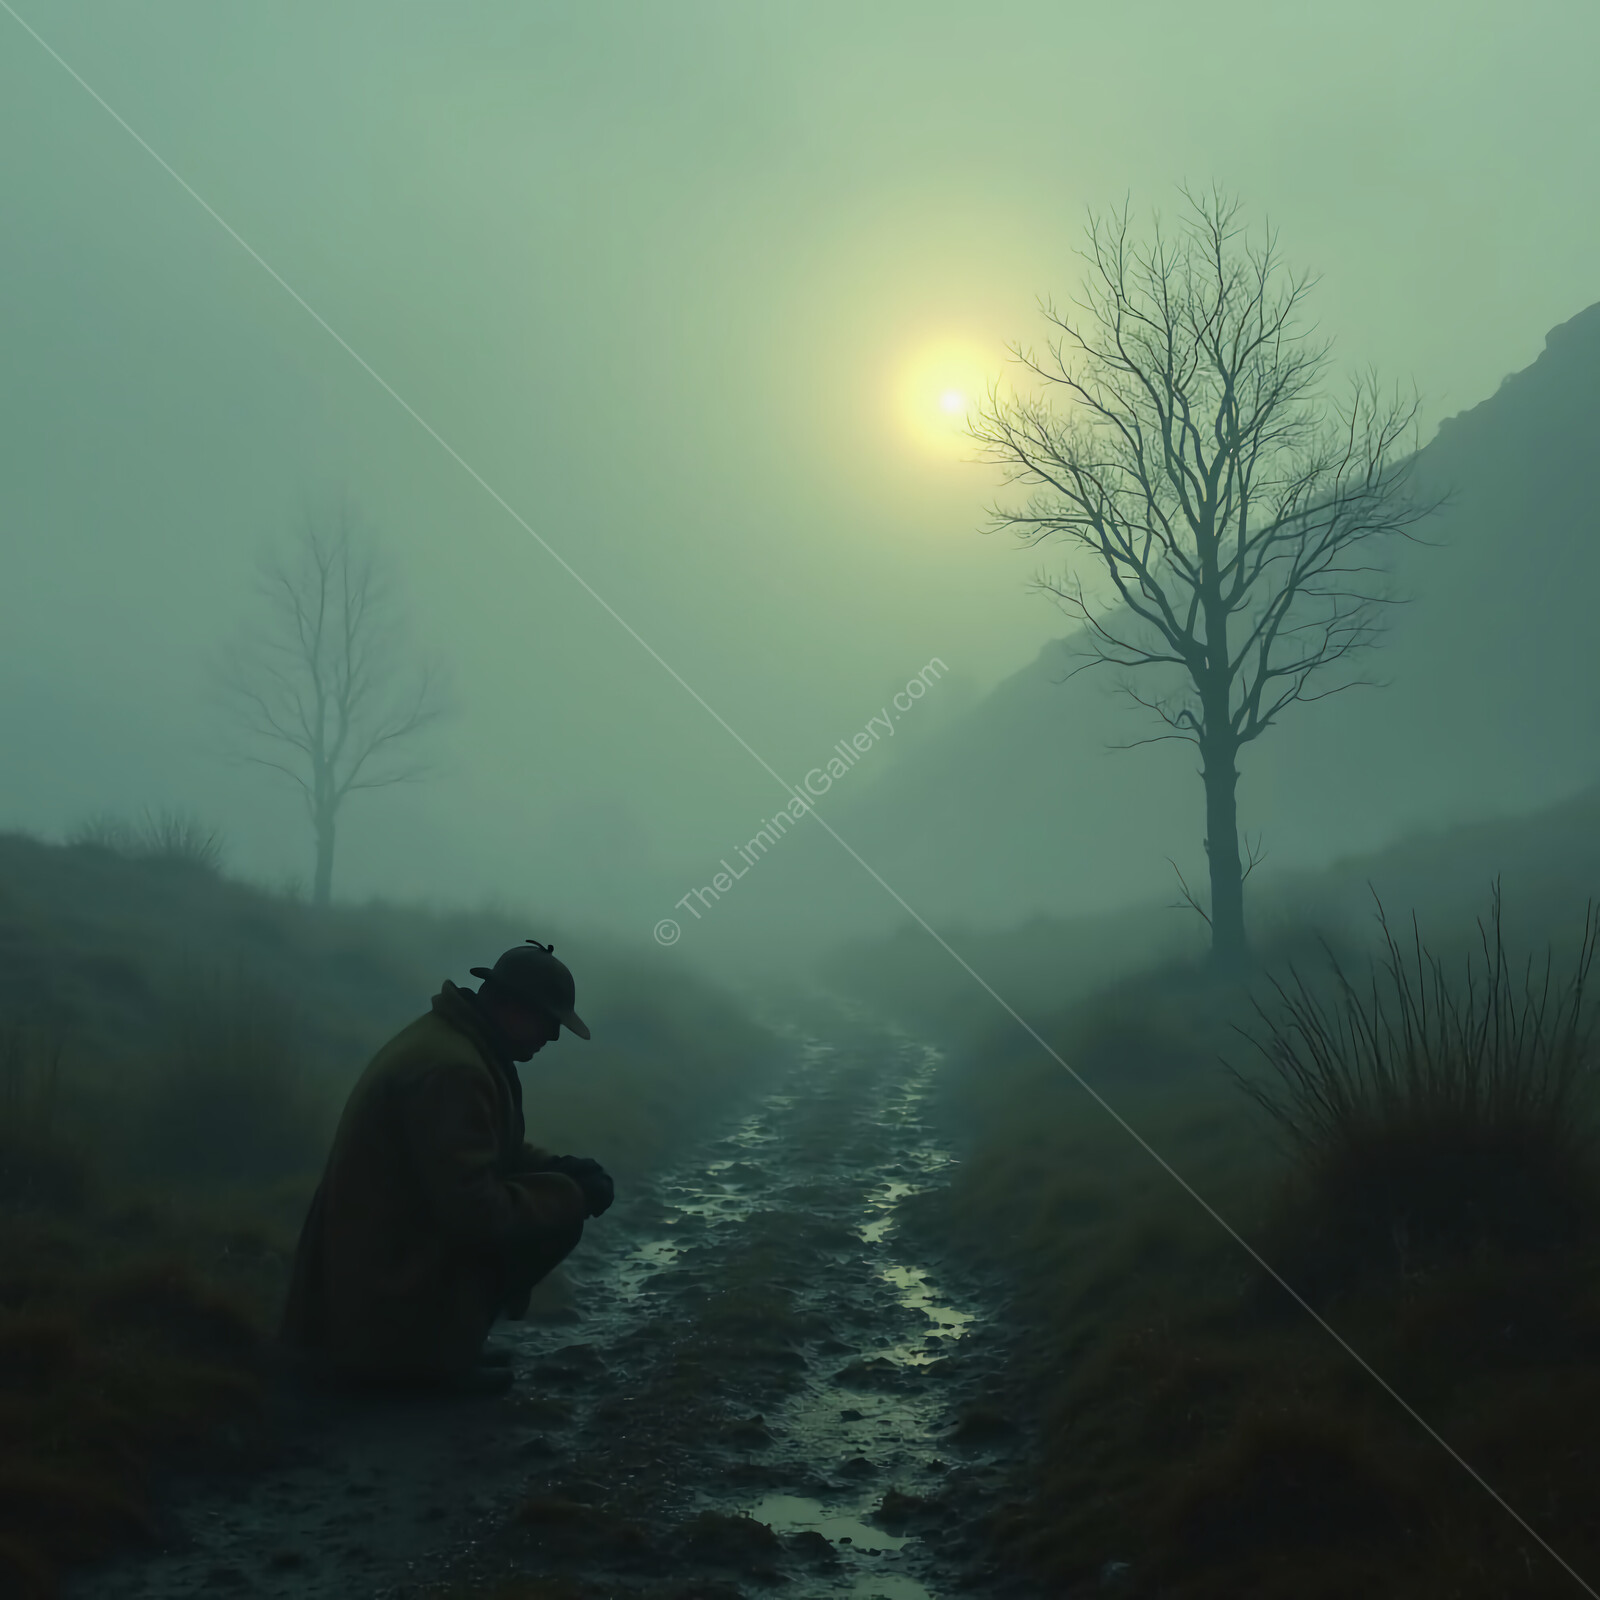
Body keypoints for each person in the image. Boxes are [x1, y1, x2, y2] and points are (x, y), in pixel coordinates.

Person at [280, 939, 614, 1394]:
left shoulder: (455, 1042)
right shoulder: (455, 1070)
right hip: (375, 1294)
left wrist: (559, 1167)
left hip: (369, 1272)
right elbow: (476, 1213)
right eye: (548, 1021)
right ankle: (418, 1362)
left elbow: (485, 1146)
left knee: (550, 1204)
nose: (553, 1037)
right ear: (512, 1007)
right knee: (555, 1218)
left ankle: (437, 1346)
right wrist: (571, 1195)